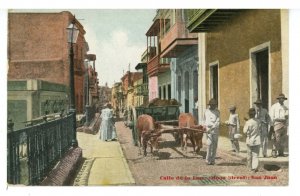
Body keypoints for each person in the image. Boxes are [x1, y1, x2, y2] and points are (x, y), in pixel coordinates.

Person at [269, 93, 288, 158]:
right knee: (276, 138)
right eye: (281, 98)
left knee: (283, 139)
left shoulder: (285, 107)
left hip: (284, 124)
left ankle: (281, 152)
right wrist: (271, 125)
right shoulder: (274, 106)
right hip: (276, 123)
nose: (282, 100)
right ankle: (274, 151)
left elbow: (287, 117)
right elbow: (271, 117)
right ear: (278, 99)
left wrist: (287, 124)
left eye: (283, 98)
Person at [243, 108, 261, 173]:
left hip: (249, 140)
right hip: (257, 140)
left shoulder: (248, 122)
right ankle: (254, 168)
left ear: (249, 115)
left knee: (249, 154)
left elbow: (244, 131)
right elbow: (259, 128)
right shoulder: (258, 121)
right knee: (255, 155)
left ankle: (249, 168)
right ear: (255, 114)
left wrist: (246, 123)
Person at [203, 98, 220, 165]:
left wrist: (213, 128)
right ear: (209, 105)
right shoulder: (206, 111)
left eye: (214, 105)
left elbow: (217, 122)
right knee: (209, 144)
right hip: (208, 130)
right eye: (212, 105)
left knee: (215, 145)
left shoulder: (217, 112)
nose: (213, 106)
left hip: (215, 130)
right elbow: (203, 120)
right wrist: (204, 126)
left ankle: (213, 160)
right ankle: (207, 160)